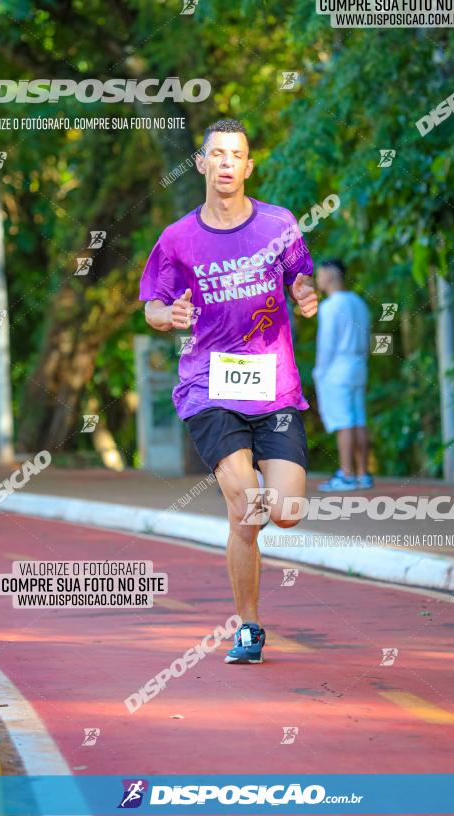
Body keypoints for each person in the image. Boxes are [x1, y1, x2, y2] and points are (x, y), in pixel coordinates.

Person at [139, 119, 318, 664]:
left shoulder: (279, 224)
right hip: (208, 385)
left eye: (234, 154)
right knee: (246, 510)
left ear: (248, 166)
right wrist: (166, 314)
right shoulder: (177, 238)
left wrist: (305, 294)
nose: (224, 163)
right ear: (200, 163)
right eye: (215, 153)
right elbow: (151, 304)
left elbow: (300, 278)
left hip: (274, 386)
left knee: (284, 509)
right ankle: (250, 628)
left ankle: (266, 499)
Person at [313, 259, 373, 491]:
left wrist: (320, 371)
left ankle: (347, 474)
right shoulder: (359, 303)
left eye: (320, 274)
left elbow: (327, 344)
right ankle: (363, 473)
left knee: (343, 421)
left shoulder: (330, 306)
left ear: (331, 274)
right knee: (358, 418)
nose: (318, 279)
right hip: (358, 365)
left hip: (337, 368)